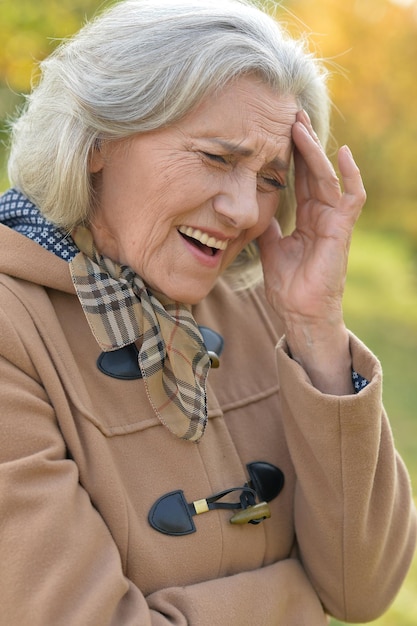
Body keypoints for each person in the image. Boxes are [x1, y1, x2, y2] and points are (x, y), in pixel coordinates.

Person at [0, 0, 415, 623]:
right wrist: (298, 601)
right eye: (218, 158)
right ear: (97, 142)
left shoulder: (260, 307)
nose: (245, 210)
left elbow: (364, 589)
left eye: (272, 178)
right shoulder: (13, 330)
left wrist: (315, 328)